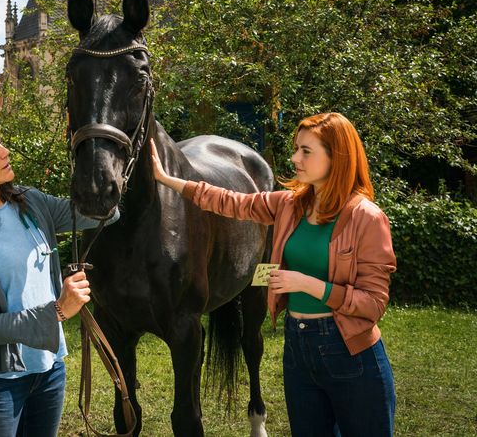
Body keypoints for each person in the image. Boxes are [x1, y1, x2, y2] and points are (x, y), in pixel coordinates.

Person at [150, 112, 397, 436]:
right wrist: (169, 180)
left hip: (351, 352)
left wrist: (308, 285)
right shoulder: (290, 206)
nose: (295, 158)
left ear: (337, 157)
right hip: (298, 348)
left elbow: (373, 304)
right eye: (296, 148)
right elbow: (229, 201)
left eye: (306, 151)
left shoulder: (367, 218)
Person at [0, 116, 116, 437]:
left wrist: (101, 157)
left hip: (50, 369)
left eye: (0, 142)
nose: (5, 151)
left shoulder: (30, 202)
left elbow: (104, 212)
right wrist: (57, 311)